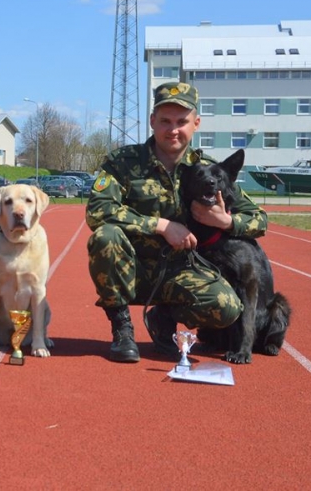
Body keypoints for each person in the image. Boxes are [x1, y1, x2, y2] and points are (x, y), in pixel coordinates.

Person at [85, 81, 267, 363]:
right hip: (133, 270)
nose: (173, 130)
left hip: (182, 271)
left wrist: (225, 221)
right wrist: (161, 226)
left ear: (196, 123)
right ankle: (122, 328)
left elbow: (259, 219)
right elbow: (97, 211)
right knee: (105, 236)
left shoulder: (208, 171)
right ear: (152, 121)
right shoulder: (123, 163)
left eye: (181, 121)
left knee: (227, 307)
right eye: (165, 121)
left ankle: (163, 318)